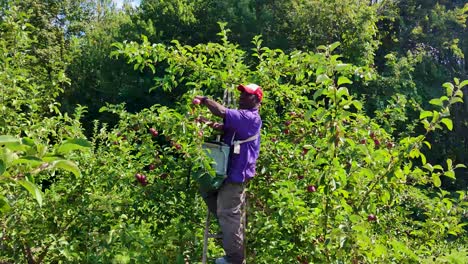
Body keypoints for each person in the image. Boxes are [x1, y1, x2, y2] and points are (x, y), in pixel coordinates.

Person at [194, 83, 263, 264]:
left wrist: (204, 100)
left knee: (228, 213)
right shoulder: (243, 118)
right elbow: (226, 127)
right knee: (208, 193)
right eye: (241, 94)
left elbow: (222, 112)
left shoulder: (250, 117)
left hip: (236, 174)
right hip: (224, 170)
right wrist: (208, 124)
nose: (241, 97)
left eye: (246, 95)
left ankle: (235, 259)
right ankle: (229, 233)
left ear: (256, 100)